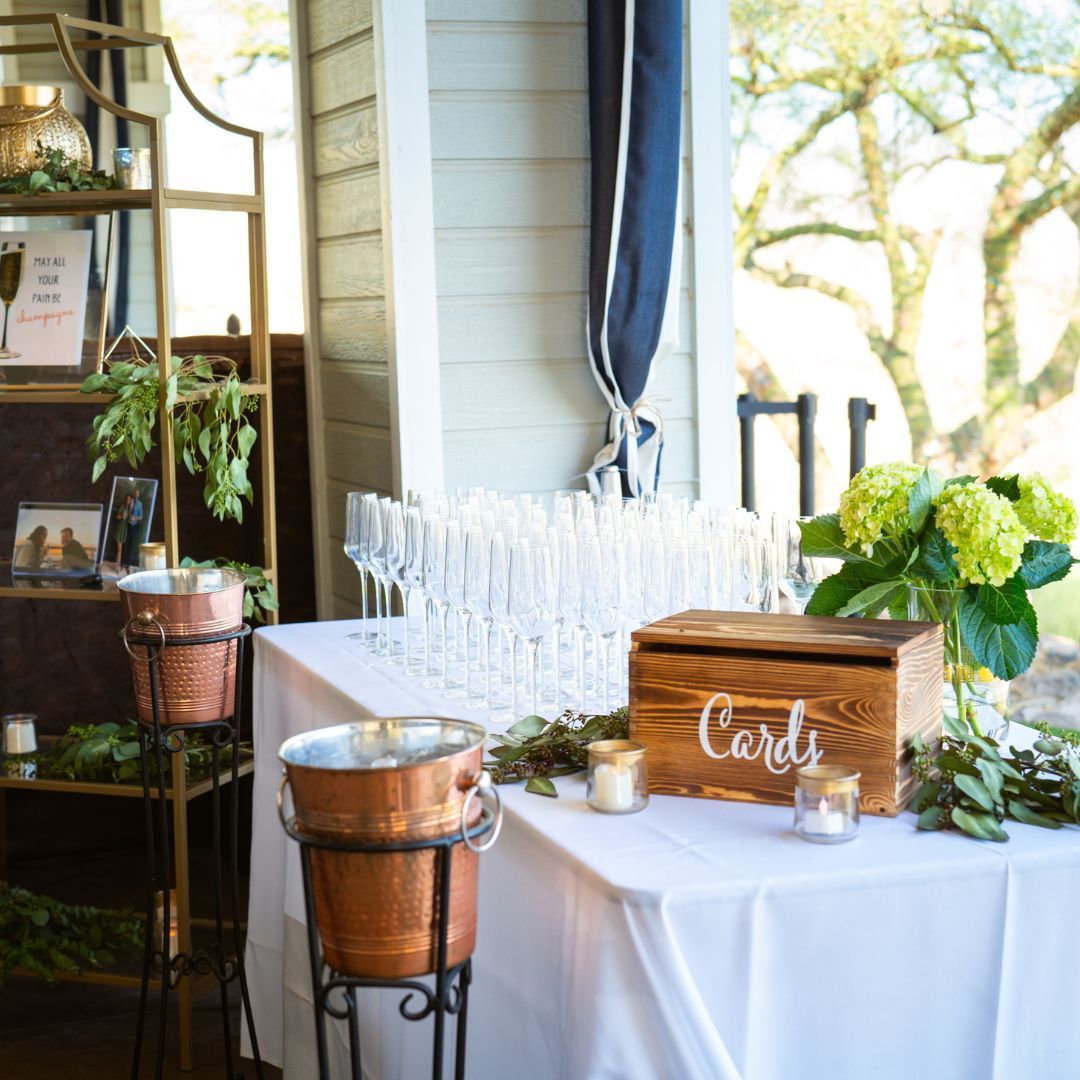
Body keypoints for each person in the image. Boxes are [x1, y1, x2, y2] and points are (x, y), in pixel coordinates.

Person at [121, 487, 145, 567]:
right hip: (126, 525)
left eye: (137, 494)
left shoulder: (140, 504)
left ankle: (128, 563)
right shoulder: (130, 500)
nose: (136, 495)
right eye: (135, 493)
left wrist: (135, 517)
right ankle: (122, 562)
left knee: (131, 545)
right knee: (124, 543)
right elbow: (126, 510)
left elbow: (141, 517)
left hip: (134, 526)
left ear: (139, 495)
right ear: (133, 494)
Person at [112, 492, 132, 565]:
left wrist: (131, 519)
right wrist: (121, 516)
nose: (128, 501)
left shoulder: (130, 509)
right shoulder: (122, 507)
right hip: (119, 529)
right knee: (119, 549)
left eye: (129, 500)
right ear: (125, 499)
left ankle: (117, 565)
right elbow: (117, 517)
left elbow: (130, 520)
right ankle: (117, 566)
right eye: (127, 499)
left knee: (120, 549)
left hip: (124, 531)